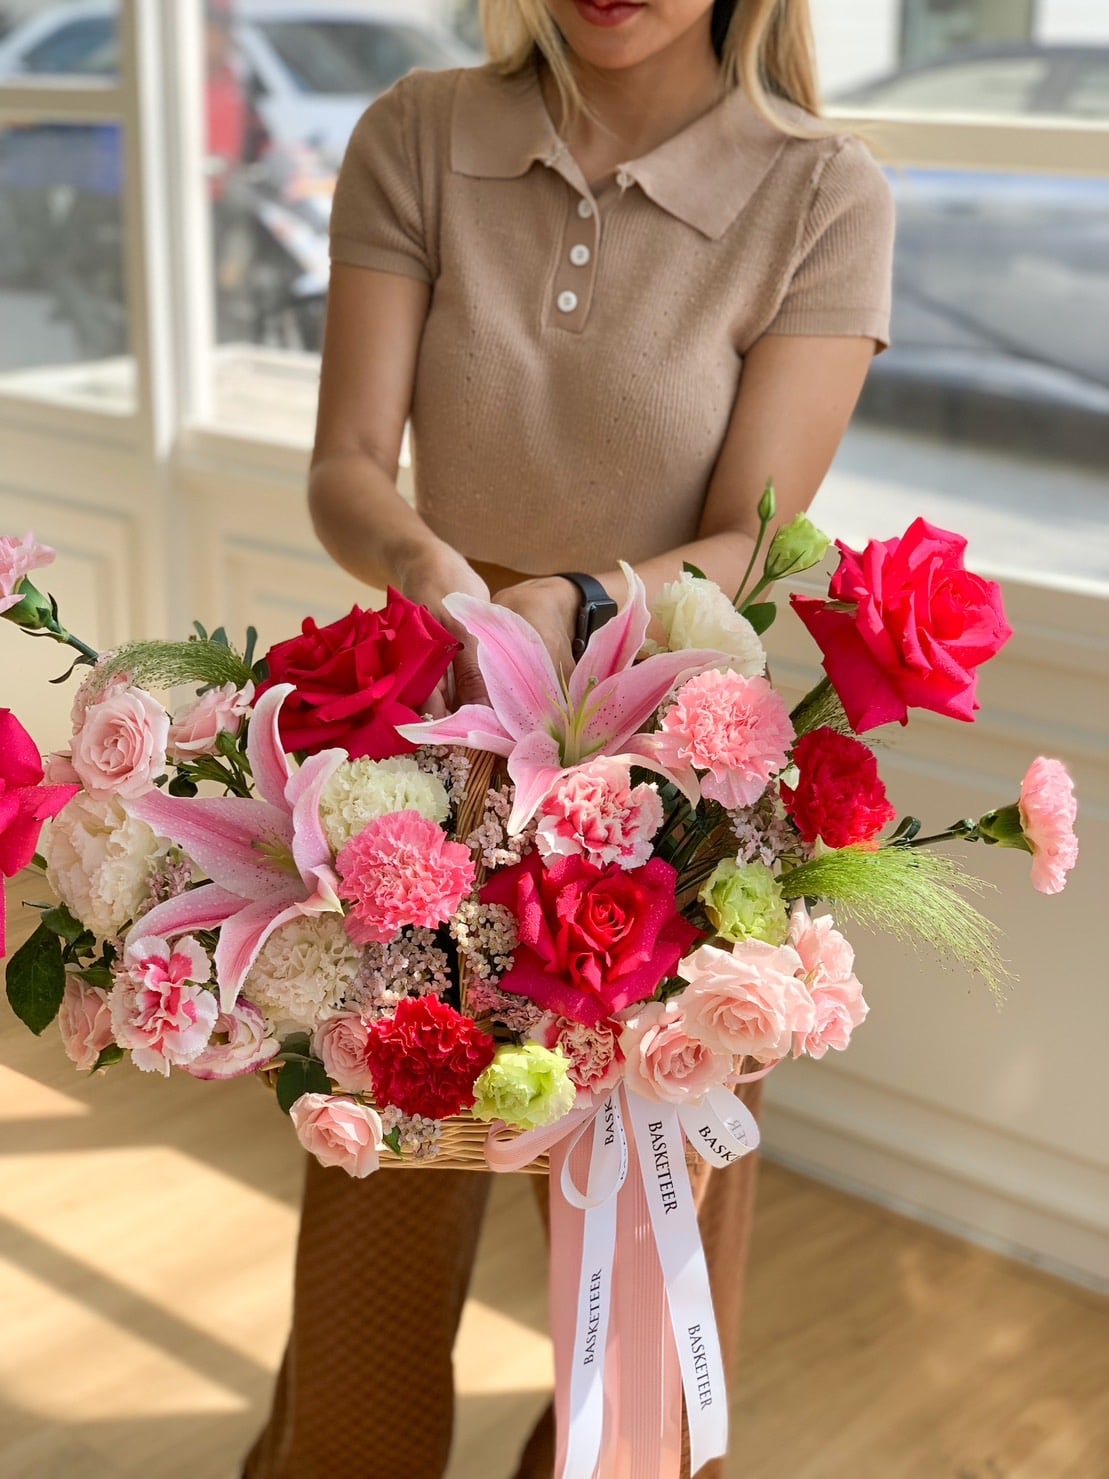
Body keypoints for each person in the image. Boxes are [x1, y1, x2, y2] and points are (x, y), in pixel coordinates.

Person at [243, 2, 893, 1476]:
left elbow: (757, 537)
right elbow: (349, 464)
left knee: (643, 1298)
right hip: (424, 775)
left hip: (673, 786)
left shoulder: (818, 188)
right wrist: (444, 592)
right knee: (375, 1231)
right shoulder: (418, 130)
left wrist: (577, 603)